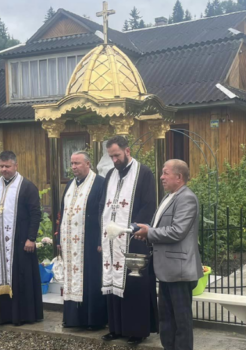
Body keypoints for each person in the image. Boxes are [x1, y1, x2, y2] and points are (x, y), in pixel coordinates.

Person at [134, 159, 202, 350]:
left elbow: (177, 231)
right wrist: (147, 234)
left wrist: (149, 232)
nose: (161, 177)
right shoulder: (169, 197)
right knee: (166, 320)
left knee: (181, 322)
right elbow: (161, 229)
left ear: (179, 177)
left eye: (165, 173)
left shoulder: (186, 198)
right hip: (166, 269)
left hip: (179, 271)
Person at [100, 136, 159, 345]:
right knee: (113, 280)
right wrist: (104, 233)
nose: (114, 160)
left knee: (134, 284)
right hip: (111, 240)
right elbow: (103, 205)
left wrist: (134, 228)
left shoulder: (143, 172)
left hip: (134, 237)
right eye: (111, 156)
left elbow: (149, 203)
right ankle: (116, 327)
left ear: (127, 151)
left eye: (117, 155)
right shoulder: (110, 174)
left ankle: (136, 330)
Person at [0, 150, 43, 326]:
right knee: (0, 275)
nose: (4, 169)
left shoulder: (27, 186)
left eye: (7, 166)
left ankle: (21, 316)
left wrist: (31, 238)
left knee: (20, 278)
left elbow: (35, 214)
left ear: (15, 165)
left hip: (20, 242)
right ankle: (1, 315)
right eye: (1, 166)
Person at [58, 151, 108, 329]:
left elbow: (104, 213)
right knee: (70, 279)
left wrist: (101, 241)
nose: (73, 167)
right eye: (71, 163)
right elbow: (63, 212)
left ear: (88, 164)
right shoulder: (70, 184)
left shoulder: (100, 183)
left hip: (90, 242)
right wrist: (58, 238)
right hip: (70, 242)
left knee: (90, 280)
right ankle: (73, 319)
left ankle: (92, 320)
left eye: (77, 163)